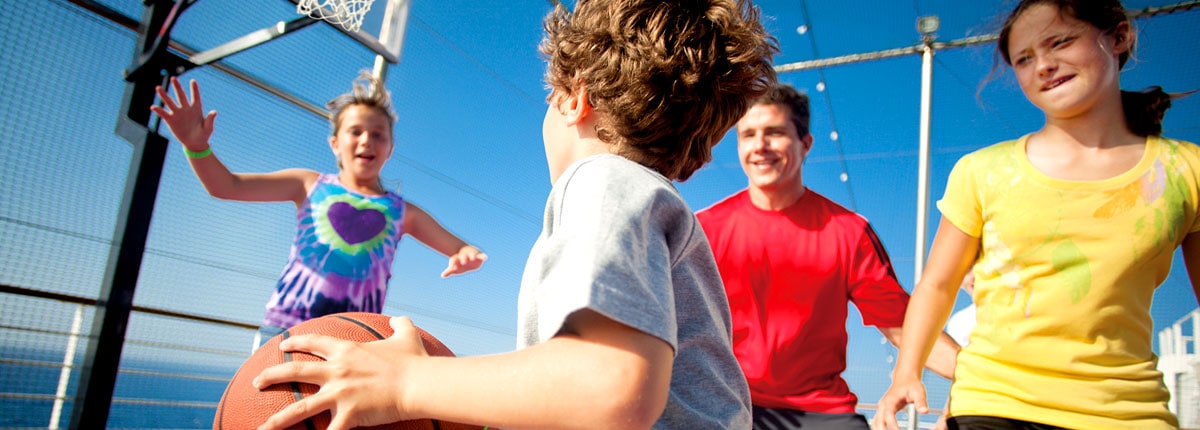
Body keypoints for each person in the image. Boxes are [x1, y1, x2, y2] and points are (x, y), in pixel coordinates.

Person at [250, 0, 779, 428]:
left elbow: (611, 386)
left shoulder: (603, 183)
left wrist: (407, 383)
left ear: (576, 100)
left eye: (551, 95)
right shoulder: (644, 199)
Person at [872, 0, 1200, 428]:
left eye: (1060, 42)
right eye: (1024, 59)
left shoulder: (1185, 170)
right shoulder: (982, 171)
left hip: (1128, 413)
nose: (1043, 65)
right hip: (994, 404)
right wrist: (905, 373)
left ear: (1118, 37)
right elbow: (936, 285)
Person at [695, 82, 960, 430]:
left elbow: (901, 326)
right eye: (748, 135)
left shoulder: (848, 230)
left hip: (820, 412)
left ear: (805, 145)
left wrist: (984, 378)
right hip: (726, 403)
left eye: (774, 133)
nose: (760, 146)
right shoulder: (702, 228)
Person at [150, 73, 488, 344]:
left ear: (390, 148)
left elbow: (457, 246)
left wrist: (466, 254)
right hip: (285, 331)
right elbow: (227, 186)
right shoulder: (309, 184)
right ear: (335, 143)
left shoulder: (401, 212)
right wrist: (197, 148)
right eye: (355, 131)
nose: (367, 140)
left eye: (378, 134)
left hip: (353, 341)